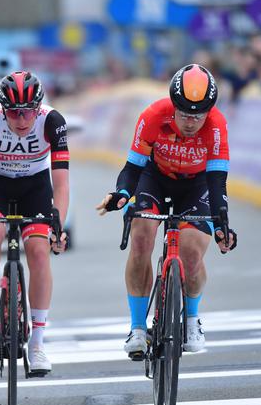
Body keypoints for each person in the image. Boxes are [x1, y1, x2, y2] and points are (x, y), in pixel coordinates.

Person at [96, 64, 237, 356]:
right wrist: (122, 193)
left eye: (197, 116)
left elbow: (217, 182)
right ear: (173, 106)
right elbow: (132, 169)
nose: (190, 122)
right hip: (155, 178)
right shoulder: (153, 116)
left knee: (192, 253)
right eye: (184, 113)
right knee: (141, 238)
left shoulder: (217, 126)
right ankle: (137, 328)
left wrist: (222, 222)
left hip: (197, 185)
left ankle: (191, 320)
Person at [0, 71, 69, 373]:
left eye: (28, 112)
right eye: (14, 113)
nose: (21, 120)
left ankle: (38, 344)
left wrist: (58, 225)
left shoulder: (52, 122)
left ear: (38, 108)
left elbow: (61, 184)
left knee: (38, 251)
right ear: (2, 110)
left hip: (35, 186)